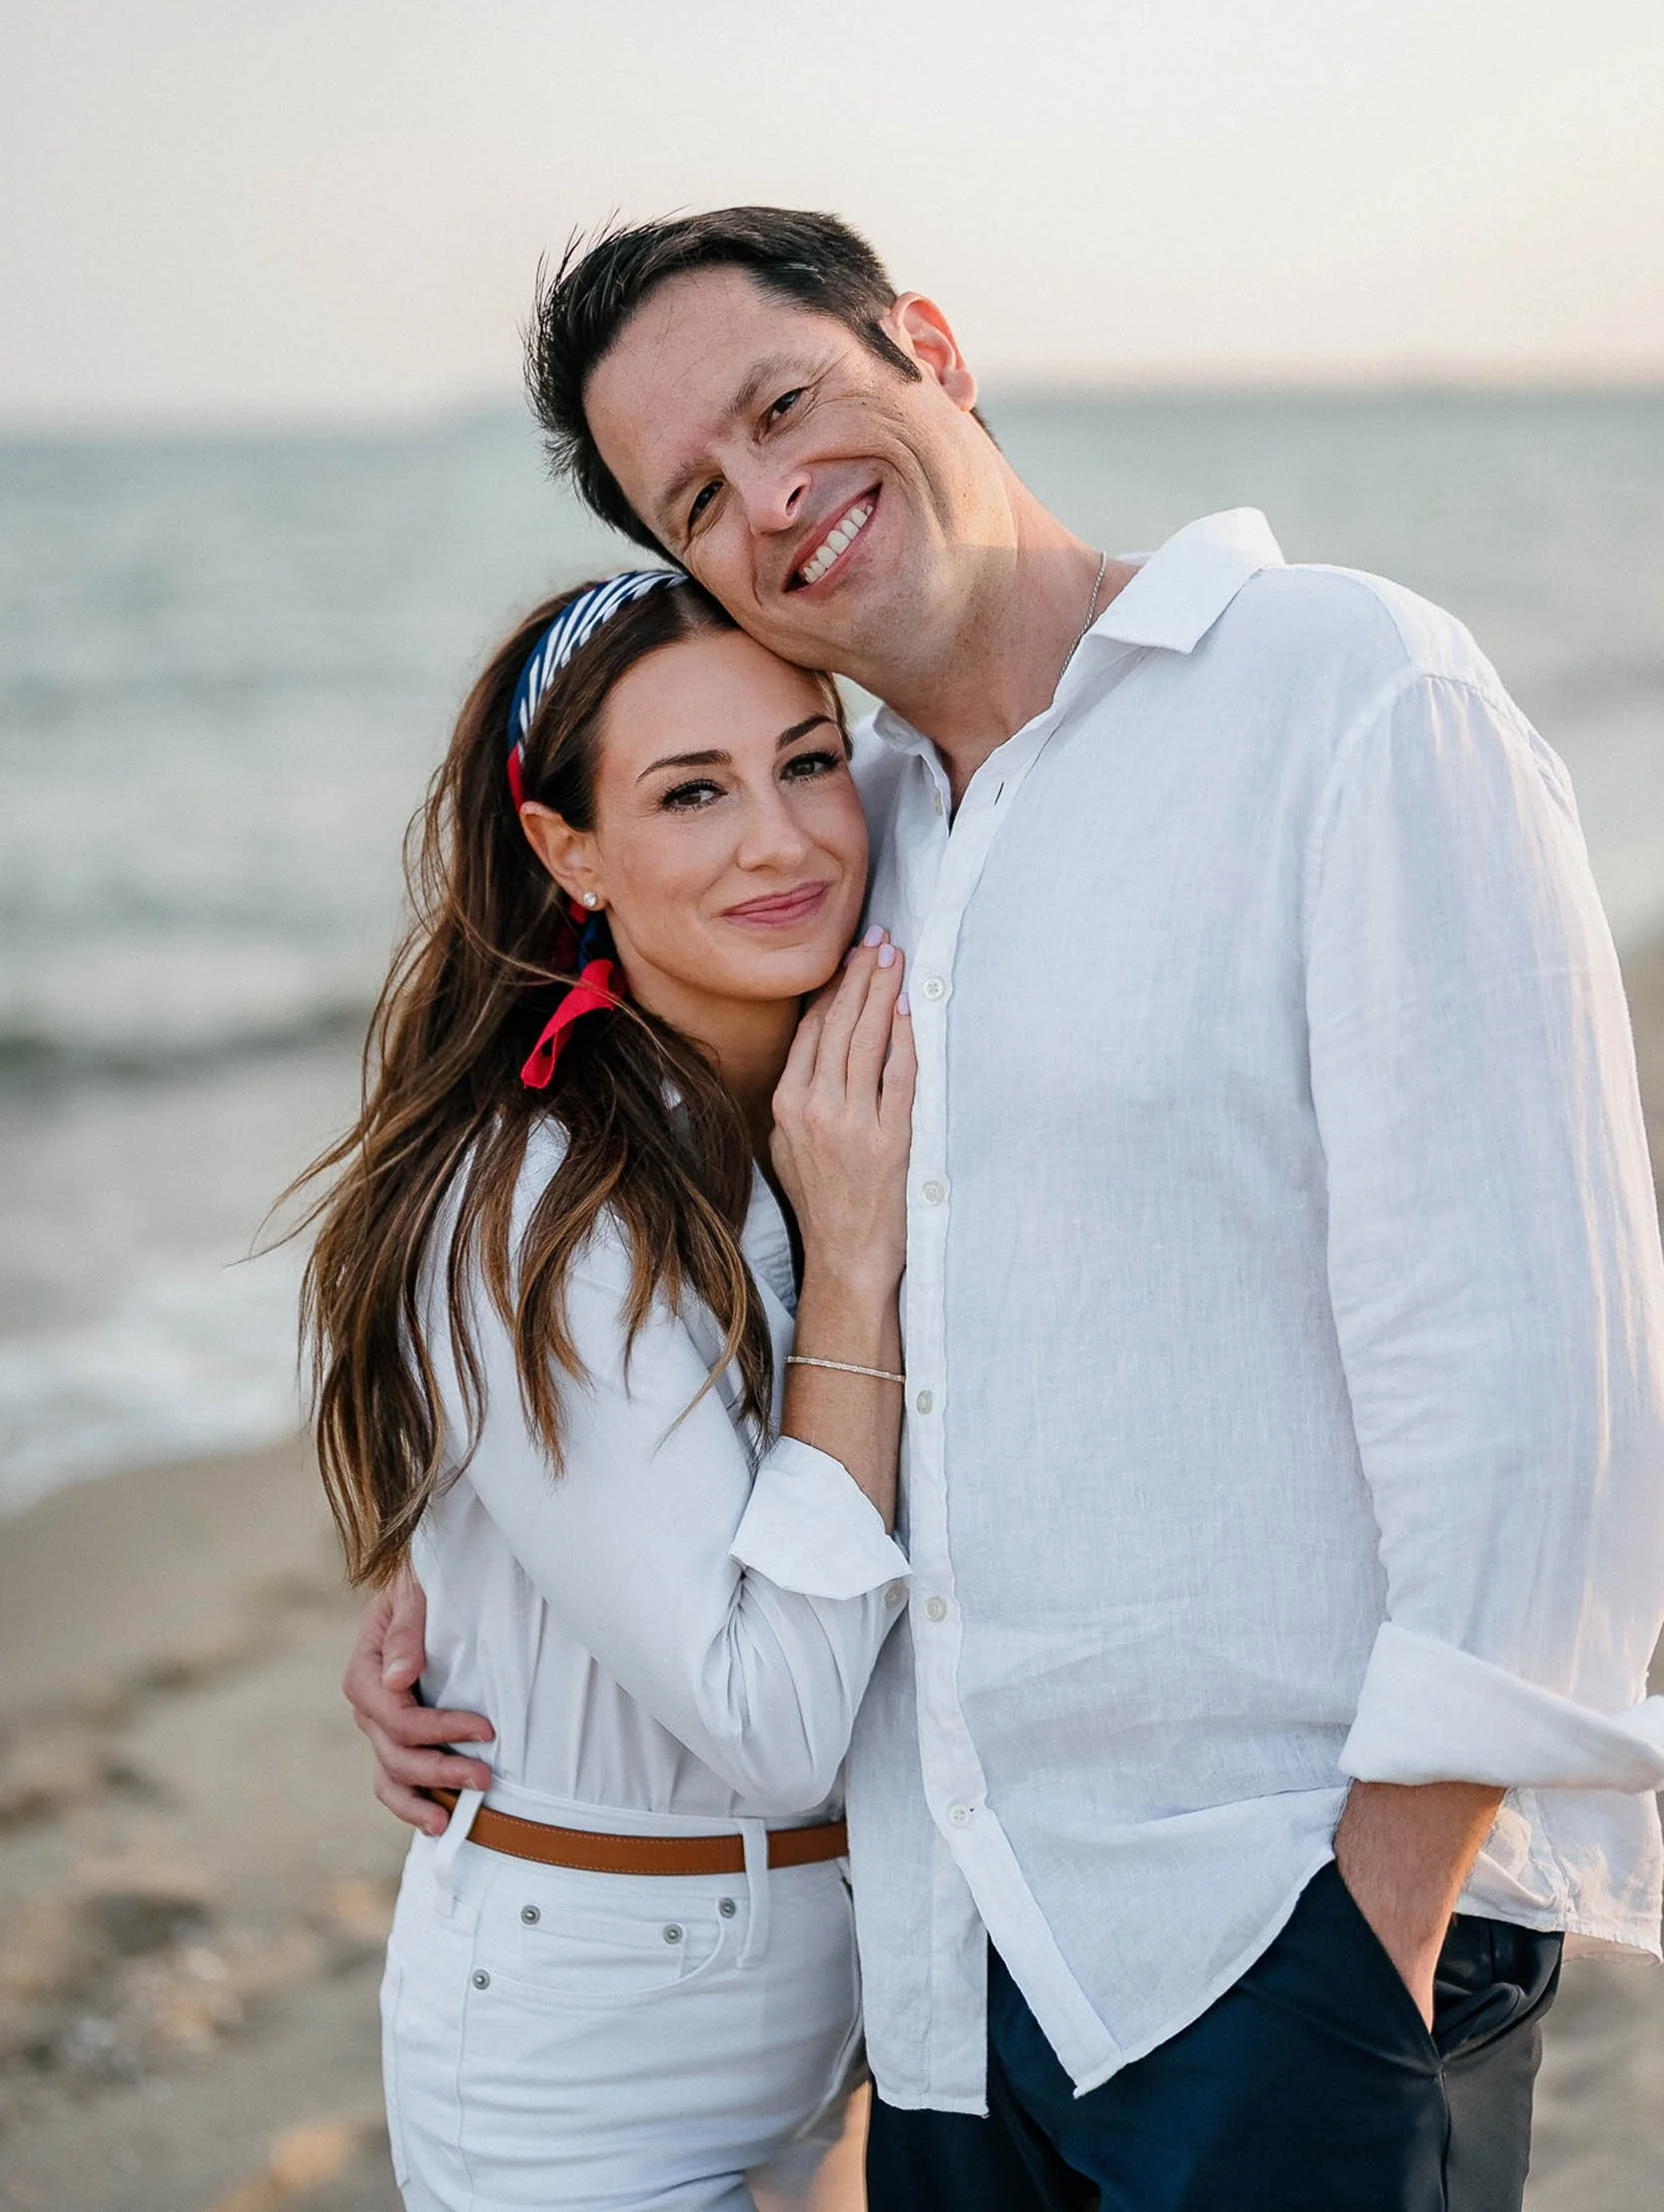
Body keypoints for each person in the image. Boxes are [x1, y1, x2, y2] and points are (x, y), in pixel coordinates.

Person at [348, 210, 1664, 2212]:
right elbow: (724, 1276)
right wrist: (472, 1592)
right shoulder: (850, 828)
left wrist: (1362, 1939)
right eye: (698, 494)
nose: (771, 497)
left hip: (1271, 1947)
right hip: (946, 1986)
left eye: (783, 403)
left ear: (928, 345)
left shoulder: (1341, 687)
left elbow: (1539, 1369)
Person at [302, 564, 920, 2211]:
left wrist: (453, 1588)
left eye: (804, 760)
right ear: (569, 852)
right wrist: (857, 1271)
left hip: (863, 2015)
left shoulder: (833, 1087)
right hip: (585, 2071)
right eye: (690, 792)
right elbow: (772, 1722)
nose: (781, 840)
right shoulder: (526, 1200)